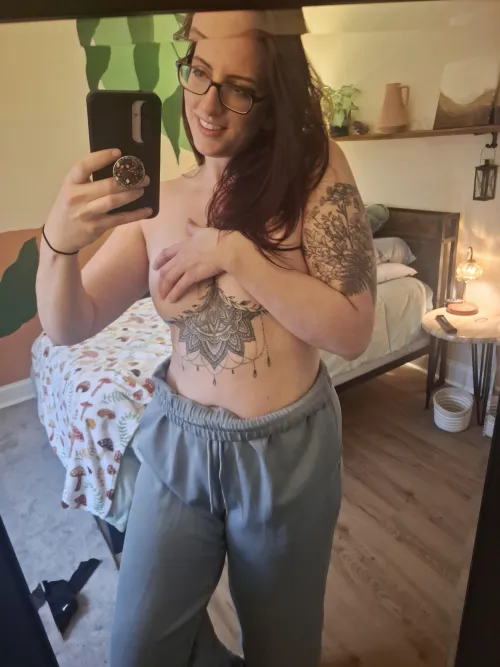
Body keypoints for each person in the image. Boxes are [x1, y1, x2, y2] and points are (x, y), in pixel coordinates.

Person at [36, 10, 376, 667]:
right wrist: (58, 243)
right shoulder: (158, 202)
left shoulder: (314, 174)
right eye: (197, 72)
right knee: (138, 650)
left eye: (238, 88)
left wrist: (235, 253)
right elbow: (69, 322)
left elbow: (354, 328)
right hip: (179, 445)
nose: (207, 105)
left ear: (273, 99)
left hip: (285, 454)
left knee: (282, 650)